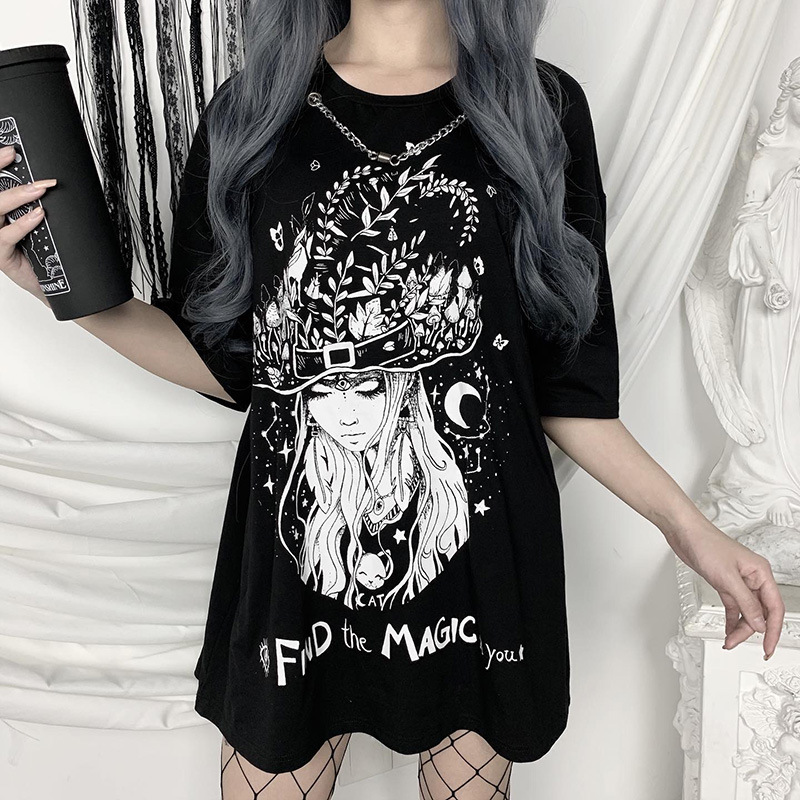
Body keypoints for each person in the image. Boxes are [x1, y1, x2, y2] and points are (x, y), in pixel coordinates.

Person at [0, 1, 786, 798]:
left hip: (481, 569)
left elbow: (566, 387)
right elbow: (229, 363)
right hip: (296, 569)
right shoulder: (252, 112)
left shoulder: (539, 110)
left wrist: (691, 532)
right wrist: (63, 294)